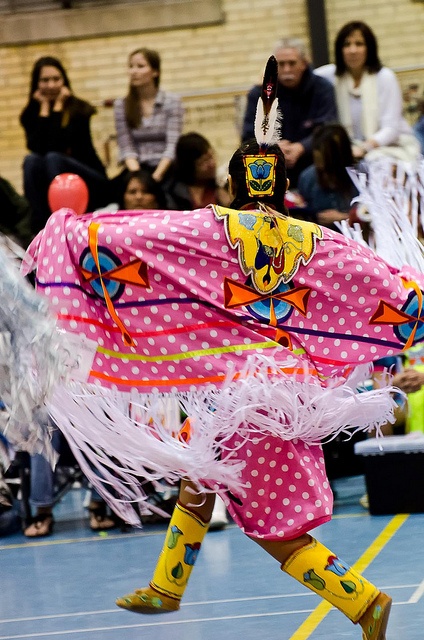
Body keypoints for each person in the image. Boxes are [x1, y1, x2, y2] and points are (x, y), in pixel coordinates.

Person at [26, 56, 424, 640]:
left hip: (251, 398)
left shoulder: (209, 230)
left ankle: (365, 603)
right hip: (276, 390)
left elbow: (135, 232)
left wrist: (69, 230)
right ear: (285, 187)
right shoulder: (318, 243)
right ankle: (167, 586)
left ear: (234, 185)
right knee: (197, 471)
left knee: (274, 531)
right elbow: (385, 286)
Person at [20, 56, 109, 235]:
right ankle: (40, 226)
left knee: (53, 158)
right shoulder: (30, 114)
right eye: (45, 80)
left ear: (64, 80)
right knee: (31, 161)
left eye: (56, 79)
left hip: (91, 181)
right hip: (55, 185)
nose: (51, 85)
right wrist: (45, 108)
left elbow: (55, 146)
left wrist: (58, 106)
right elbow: (37, 148)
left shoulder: (80, 110)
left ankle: (64, 221)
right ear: (36, 84)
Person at [315, 21, 420, 165]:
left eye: (359, 44)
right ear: (339, 49)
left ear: (369, 48)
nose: (353, 50)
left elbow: (391, 128)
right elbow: (305, 78)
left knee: (376, 164)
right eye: (346, 44)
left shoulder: (385, 77)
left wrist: (364, 148)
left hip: (388, 147)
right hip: (349, 150)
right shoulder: (330, 75)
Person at [241, 38, 337, 187]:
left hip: (316, 168)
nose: (286, 70)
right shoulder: (259, 94)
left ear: (304, 64)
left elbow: (329, 130)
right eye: (281, 64)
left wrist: (302, 147)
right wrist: (272, 146)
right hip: (271, 169)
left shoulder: (323, 89)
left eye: (292, 63)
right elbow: (248, 135)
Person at [114, 48, 184, 183]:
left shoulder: (172, 101)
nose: (134, 71)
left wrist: (156, 177)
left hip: (166, 167)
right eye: (131, 66)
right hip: (136, 168)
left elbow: (172, 145)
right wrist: (139, 177)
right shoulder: (121, 105)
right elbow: (126, 146)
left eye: (140, 66)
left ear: (155, 72)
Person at [297, 123, 359, 228]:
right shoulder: (307, 177)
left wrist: (344, 218)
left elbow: (372, 215)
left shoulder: (361, 176)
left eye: (328, 164)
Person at [164, 132, 231, 209]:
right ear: (189, 167)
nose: (211, 164)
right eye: (204, 161)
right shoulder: (174, 192)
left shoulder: (221, 185)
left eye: (211, 156)